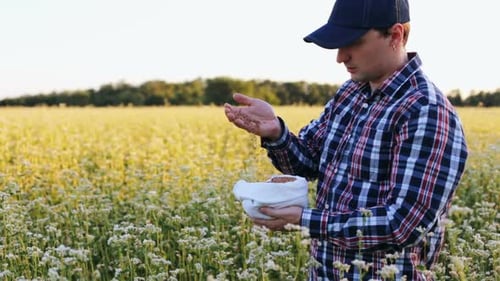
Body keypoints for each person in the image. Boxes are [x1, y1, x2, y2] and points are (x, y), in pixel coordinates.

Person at [224, 0, 468, 280]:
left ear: (396, 35)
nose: (340, 57)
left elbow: (404, 225)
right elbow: (310, 161)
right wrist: (276, 134)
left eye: (352, 41)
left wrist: (304, 220)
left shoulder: (425, 111)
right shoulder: (351, 93)